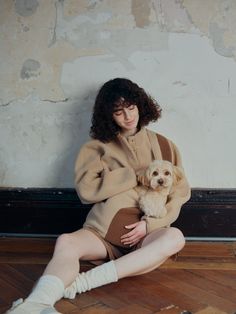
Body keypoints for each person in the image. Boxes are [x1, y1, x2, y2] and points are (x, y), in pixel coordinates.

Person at [7, 78, 191, 314]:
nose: (127, 116)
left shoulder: (166, 146)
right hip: (102, 234)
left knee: (175, 238)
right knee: (66, 242)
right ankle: (36, 305)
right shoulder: (96, 147)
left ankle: (82, 283)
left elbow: (180, 192)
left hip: (147, 238)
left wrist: (150, 225)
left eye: (131, 107)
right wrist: (131, 175)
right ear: (109, 116)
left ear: (141, 105)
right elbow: (86, 191)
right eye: (118, 111)